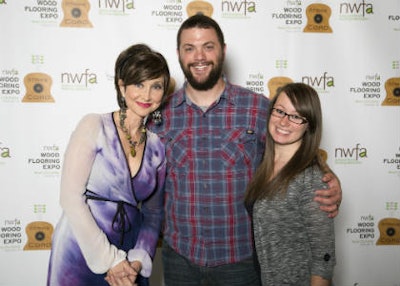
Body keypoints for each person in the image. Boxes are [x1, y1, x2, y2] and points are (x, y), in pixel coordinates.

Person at [149, 14, 342, 286]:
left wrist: (329, 177)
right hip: (179, 259)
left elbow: (295, 148)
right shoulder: (159, 115)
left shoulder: (257, 108)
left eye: (208, 46)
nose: (199, 56)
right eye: (189, 48)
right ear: (179, 54)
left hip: (239, 261)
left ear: (223, 51)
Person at [47, 44, 170, 286]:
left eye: (156, 86)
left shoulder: (157, 147)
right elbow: (70, 198)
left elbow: (153, 214)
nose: (146, 95)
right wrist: (110, 260)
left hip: (129, 257)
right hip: (81, 248)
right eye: (139, 84)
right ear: (121, 85)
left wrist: (137, 260)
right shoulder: (94, 125)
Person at [245, 83, 336, 286]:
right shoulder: (263, 164)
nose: (284, 122)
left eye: (296, 116)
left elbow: (323, 259)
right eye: (280, 111)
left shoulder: (312, 178)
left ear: (309, 125)